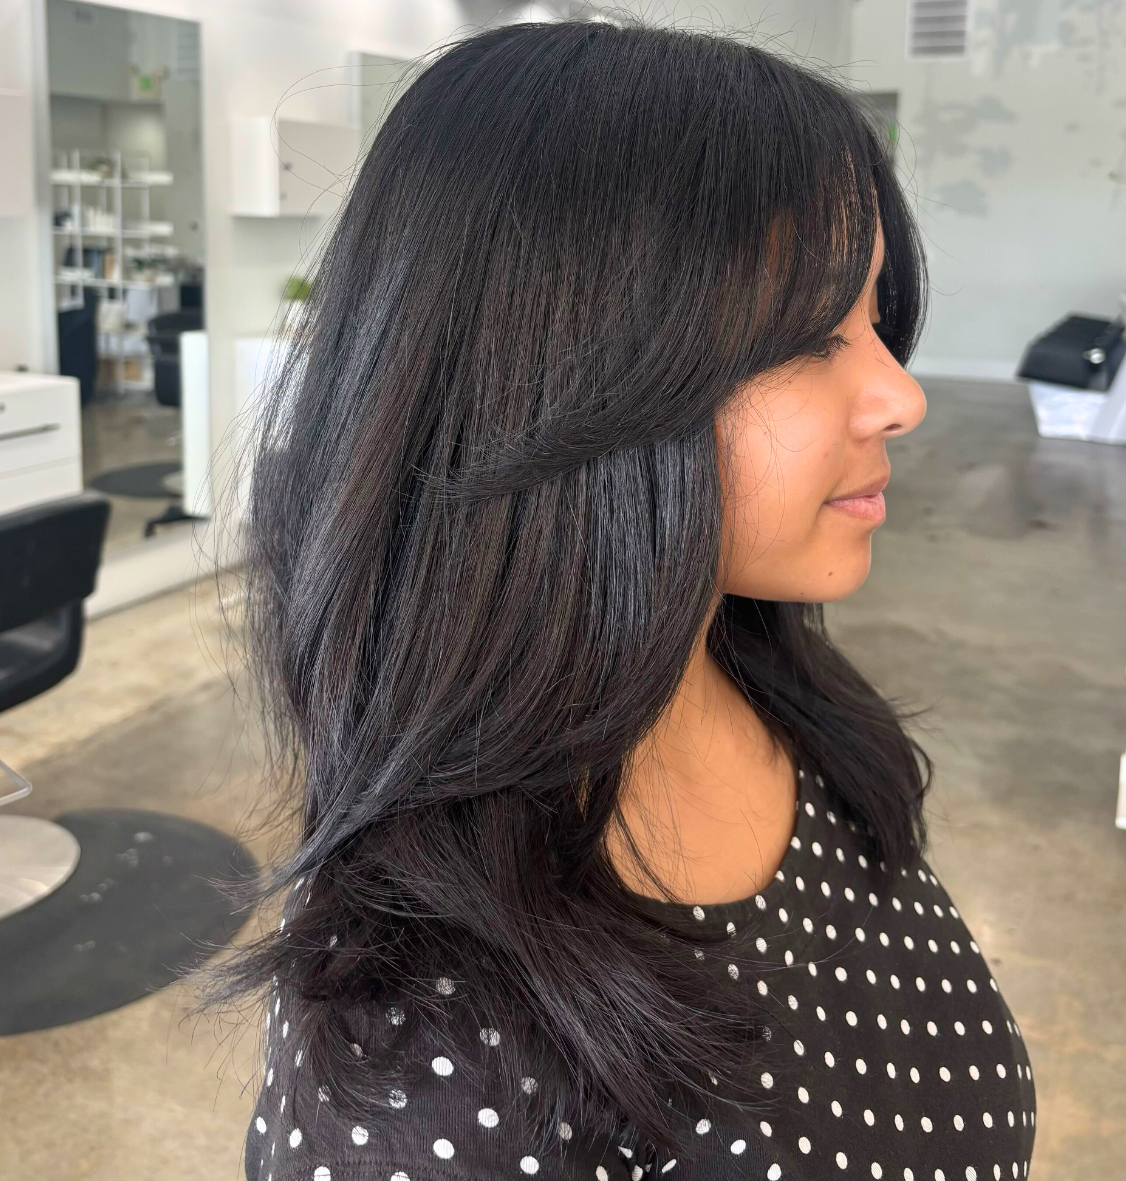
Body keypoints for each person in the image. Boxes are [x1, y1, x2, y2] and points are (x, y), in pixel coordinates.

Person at [228, 19, 1036, 1181]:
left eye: (872, 317)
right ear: (569, 376)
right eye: (811, 334)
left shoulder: (755, 669)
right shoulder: (432, 1067)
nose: (899, 394)